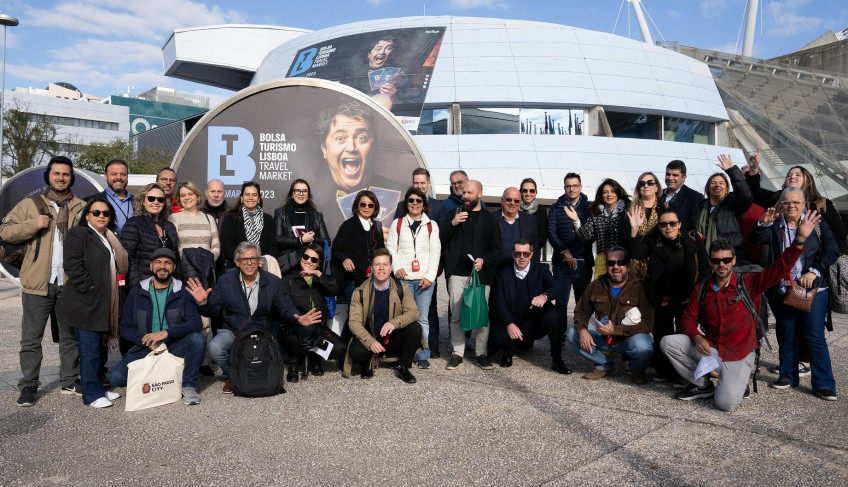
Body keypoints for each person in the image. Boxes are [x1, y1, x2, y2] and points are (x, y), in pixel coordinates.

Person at [661, 228, 815, 411]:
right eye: (717, 260)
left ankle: (739, 381)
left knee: (724, 404)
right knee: (668, 342)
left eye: (726, 260)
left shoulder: (748, 282)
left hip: (739, 352)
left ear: (733, 260)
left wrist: (798, 242)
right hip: (713, 348)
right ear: (710, 262)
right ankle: (702, 385)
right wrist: (696, 336)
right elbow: (687, 319)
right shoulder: (702, 287)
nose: (722, 265)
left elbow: (779, 268)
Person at [0, 156, 85, 407]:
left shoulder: (80, 206)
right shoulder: (30, 204)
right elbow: (4, 231)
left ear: (71, 178)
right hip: (37, 283)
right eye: (56, 173)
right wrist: (33, 225)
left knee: (69, 337)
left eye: (66, 174)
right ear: (48, 176)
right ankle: (28, 385)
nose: (61, 178)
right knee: (31, 339)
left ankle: (69, 379)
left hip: (68, 284)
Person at [186, 241, 321, 393]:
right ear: (237, 262)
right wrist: (203, 302)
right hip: (233, 330)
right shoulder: (225, 281)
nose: (249, 263)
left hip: (261, 331)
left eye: (253, 259)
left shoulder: (273, 282)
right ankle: (234, 375)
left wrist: (298, 317)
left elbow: (285, 307)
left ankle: (248, 374)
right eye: (244, 259)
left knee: (265, 360)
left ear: (259, 261)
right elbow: (213, 310)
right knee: (215, 348)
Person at [750, 190, 838, 400]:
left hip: (812, 288)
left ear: (804, 203)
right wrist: (762, 223)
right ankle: (788, 375)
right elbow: (755, 238)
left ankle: (824, 383)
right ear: (781, 205)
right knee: (786, 332)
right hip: (782, 288)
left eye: (796, 202)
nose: (791, 206)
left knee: (814, 335)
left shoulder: (816, 222)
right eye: (787, 203)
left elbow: (832, 249)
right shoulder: (774, 223)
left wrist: (814, 270)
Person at [109, 248, 206, 406]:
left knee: (197, 339)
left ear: (174, 267)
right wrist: (146, 340)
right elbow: (125, 327)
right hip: (146, 347)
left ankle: (188, 385)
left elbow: (196, 323)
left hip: (174, 345)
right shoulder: (137, 291)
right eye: (158, 262)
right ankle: (165, 375)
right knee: (117, 378)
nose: (163, 266)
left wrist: (166, 333)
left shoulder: (182, 290)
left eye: (168, 263)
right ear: (151, 266)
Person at [58, 197, 127, 408]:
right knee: (89, 351)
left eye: (106, 213)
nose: (101, 216)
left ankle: (98, 387)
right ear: (87, 215)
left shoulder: (109, 236)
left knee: (98, 350)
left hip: (104, 303)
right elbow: (71, 264)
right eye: (96, 212)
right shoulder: (79, 234)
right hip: (85, 303)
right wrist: (89, 287)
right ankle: (91, 395)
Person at [628, 208, 710, 384]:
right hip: (661, 296)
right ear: (659, 227)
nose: (668, 227)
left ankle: (684, 373)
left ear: (679, 225)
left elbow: (704, 270)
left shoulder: (692, 241)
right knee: (661, 333)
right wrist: (634, 230)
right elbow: (636, 253)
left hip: (686, 297)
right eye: (663, 224)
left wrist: (695, 295)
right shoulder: (653, 241)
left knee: (684, 334)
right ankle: (664, 370)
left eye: (672, 223)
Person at [567, 246, 654, 384]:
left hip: (628, 338)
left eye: (621, 262)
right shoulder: (596, 285)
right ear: (606, 265)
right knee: (572, 333)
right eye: (611, 263)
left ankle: (637, 369)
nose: (616, 266)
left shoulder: (639, 287)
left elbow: (648, 324)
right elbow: (581, 311)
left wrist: (616, 330)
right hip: (602, 337)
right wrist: (583, 330)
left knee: (643, 346)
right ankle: (604, 365)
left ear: (628, 265)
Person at [441, 180, 501, 370]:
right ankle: (458, 353)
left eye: (469, 193)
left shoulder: (490, 219)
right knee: (456, 315)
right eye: (463, 192)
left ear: (479, 194)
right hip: (457, 274)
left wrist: (484, 260)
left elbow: (496, 249)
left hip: (481, 275)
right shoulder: (453, 214)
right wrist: (452, 223)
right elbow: (439, 239)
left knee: (481, 315)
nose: (465, 196)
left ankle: (481, 353)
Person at [342, 249, 422, 383]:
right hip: (370, 335)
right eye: (377, 264)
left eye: (385, 264)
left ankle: (403, 366)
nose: (381, 268)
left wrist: (394, 323)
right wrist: (370, 341)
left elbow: (414, 312)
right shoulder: (359, 291)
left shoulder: (401, 287)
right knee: (356, 350)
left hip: (391, 336)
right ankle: (367, 363)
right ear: (371, 268)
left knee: (415, 328)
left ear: (391, 268)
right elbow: (354, 323)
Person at [391, 167, 446, 356]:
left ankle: (427, 351)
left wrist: (432, 274)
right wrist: (396, 267)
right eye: (416, 183)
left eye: (423, 183)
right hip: (405, 276)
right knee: (405, 315)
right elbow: (393, 245)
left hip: (426, 276)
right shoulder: (399, 216)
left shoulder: (435, 217)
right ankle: (406, 351)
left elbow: (438, 247)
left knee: (426, 315)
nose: (415, 202)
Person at [492, 239, 569, 373]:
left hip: (534, 322)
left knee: (554, 316)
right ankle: (507, 353)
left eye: (525, 254)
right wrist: (509, 324)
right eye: (518, 254)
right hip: (513, 321)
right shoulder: (502, 274)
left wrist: (545, 296)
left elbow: (557, 287)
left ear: (531, 255)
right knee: (498, 334)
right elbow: (498, 302)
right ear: (512, 254)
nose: (521, 257)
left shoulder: (541, 270)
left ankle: (557, 359)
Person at [745, 151, 847, 252]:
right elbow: (753, 192)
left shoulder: (821, 204)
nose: (792, 177)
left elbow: (839, 233)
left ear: (808, 181)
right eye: (789, 175)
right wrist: (754, 169)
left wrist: (820, 258)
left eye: (798, 175)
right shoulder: (776, 198)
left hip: (812, 260)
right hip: (781, 258)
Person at [169, 181, 221, 373]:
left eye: (190, 194)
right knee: (186, 317)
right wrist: (191, 261)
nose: (187, 198)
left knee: (205, 319)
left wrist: (205, 260)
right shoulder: (174, 219)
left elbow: (216, 246)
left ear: (198, 196)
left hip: (206, 272)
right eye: (183, 195)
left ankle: (204, 361)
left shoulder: (208, 219)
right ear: (178, 198)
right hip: (185, 274)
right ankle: (185, 359)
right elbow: (176, 248)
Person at [279, 243, 347, 382]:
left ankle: (314, 358)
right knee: (292, 340)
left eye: (314, 260)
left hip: (317, 330)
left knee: (340, 348)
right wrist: (297, 318)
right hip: (294, 328)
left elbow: (334, 290)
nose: (308, 261)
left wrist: (318, 275)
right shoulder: (288, 279)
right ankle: (293, 363)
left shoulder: (321, 279)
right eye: (306, 256)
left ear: (318, 264)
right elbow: (281, 306)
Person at [316, 101, 395, 198]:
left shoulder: (403, 198)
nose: (351, 148)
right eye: (340, 138)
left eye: (361, 137)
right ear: (324, 149)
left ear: (374, 147)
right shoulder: (306, 198)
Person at [691, 154, 753, 264]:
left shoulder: (732, 204)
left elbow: (746, 196)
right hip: (703, 260)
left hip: (727, 260)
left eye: (721, 183)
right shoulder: (699, 207)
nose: (717, 185)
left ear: (726, 189)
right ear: (708, 188)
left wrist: (732, 171)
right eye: (713, 183)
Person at [565, 178, 631, 277]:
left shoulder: (629, 210)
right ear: (601, 195)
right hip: (603, 257)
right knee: (600, 289)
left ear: (618, 193)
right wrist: (576, 221)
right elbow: (586, 236)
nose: (609, 195)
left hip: (623, 257)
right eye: (605, 192)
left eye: (613, 191)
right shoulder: (596, 212)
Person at [548, 173, 593, 312]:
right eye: (568, 186)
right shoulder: (555, 208)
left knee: (582, 304)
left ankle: (580, 333)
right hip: (560, 262)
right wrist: (565, 252)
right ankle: (559, 334)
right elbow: (551, 233)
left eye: (575, 186)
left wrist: (572, 252)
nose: (571, 189)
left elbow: (591, 235)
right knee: (560, 303)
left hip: (583, 261)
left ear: (580, 187)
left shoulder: (590, 208)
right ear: (564, 188)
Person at [119, 183, 179, 288]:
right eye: (151, 198)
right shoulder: (133, 224)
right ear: (143, 201)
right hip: (143, 285)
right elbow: (127, 257)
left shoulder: (169, 226)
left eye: (160, 199)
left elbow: (175, 258)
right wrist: (137, 286)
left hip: (168, 285)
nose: (156, 202)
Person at [332, 190, 385, 293]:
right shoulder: (348, 225)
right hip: (353, 281)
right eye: (363, 204)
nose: (366, 207)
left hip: (374, 279)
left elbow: (381, 251)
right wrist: (345, 259)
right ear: (357, 205)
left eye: (370, 205)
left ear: (375, 208)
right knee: (355, 309)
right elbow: (335, 250)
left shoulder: (377, 226)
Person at [274, 179, 330, 273]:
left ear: (308, 195)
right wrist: (300, 240)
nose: (301, 193)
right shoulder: (280, 213)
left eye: (304, 191)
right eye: (297, 190)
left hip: (311, 264)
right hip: (289, 264)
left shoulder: (317, 215)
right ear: (292, 194)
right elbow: (277, 239)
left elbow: (327, 242)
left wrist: (313, 239)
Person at [220, 181, 278, 268]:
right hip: (237, 266)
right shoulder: (231, 217)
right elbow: (227, 244)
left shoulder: (268, 219)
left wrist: (262, 262)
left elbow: (273, 246)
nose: (250, 198)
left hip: (262, 267)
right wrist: (243, 261)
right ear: (242, 197)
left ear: (258, 198)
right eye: (247, 194)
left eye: (254, 195)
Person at [621, 172, 662, 280]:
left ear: (657, 187)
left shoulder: (665, 209)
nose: (646, 186)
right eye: (642, 183)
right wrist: (635, 229)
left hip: (657, 264)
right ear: (638, 188)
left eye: (650, 183)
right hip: (633, 264)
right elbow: (624, 240)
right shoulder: (630, 209)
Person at [495, 187, 539, 267]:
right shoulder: (491, 218)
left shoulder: (530, 220)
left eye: (516, 200)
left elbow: (534, 249)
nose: (512, 203)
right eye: (508, 199)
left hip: (520, 272)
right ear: (502, 200)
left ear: (520, 202)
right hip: (495, 270)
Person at [88, 159, 133, 233]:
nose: (119, 177)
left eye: (123, 174)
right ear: (105, 176)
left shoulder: (138, 201)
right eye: (114, 174)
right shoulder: (90, 201)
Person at [659, 160, 704, 231]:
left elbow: (695, 226)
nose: (670, 178)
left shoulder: (695, 198)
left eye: (675, 175)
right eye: (668, 174)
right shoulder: (657, 195)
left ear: (684, 177)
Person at [519, 177, 548, 254]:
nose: (528, 194)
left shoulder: (542, 211)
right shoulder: (515, 209)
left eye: (531, 191)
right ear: (520, 192)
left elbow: (543, 237)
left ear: (535, 192)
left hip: (534, 253)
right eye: (525, 190)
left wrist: (531, 250)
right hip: (517, 253)